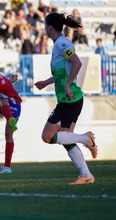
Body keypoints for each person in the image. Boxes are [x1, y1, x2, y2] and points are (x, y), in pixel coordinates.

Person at [34, 12, 98, 185]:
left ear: (48, 28)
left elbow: (77, 63)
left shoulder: (61, 43)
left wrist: (68, 84)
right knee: (65, 139)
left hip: (70, 98)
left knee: (48, 136)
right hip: (68, 99)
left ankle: (86, 139)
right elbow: (63, 72)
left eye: (44, 27)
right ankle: (86, 175)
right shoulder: (59, 45)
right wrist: (46, 82)